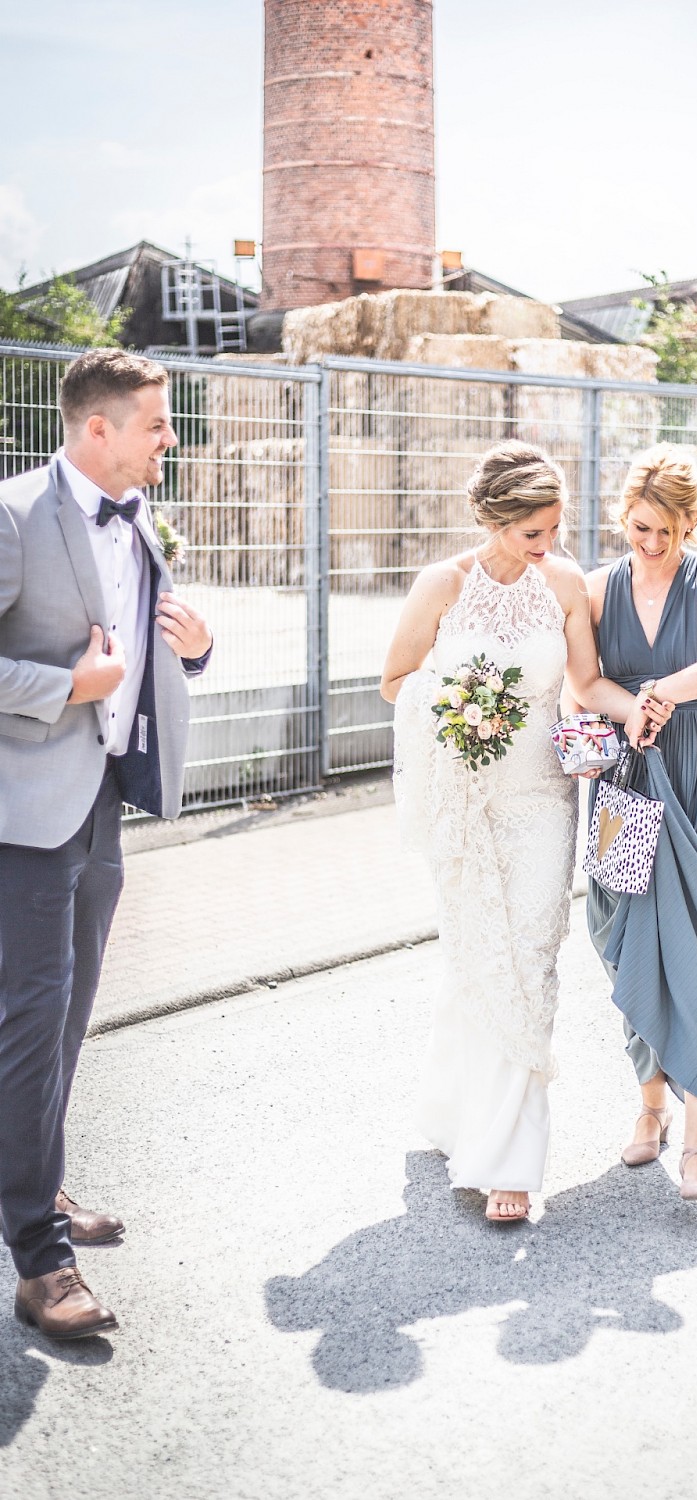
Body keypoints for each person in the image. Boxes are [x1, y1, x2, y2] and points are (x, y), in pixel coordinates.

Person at [380, 441, 666, 1223]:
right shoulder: (443, 584)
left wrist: (635, 708)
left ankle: (508, 1158)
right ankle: (452, 1110)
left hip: (543, 797)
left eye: (554, 530)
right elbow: (395, 681)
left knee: (533, 955)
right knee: (477, 951)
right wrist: (464, 698)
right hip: (463, 799)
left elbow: (585, 683)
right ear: (494, 520)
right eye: (531, 534)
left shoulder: (566, 582)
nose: (546, 547)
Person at [0, 348, 212, 1338]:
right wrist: (67, 690)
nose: (170, 437)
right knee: (33, 1020)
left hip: (106, 800)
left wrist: (198, 650)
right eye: (157, 423)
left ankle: (37, 1186)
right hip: (26, 813)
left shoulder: (138, 517)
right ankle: (42, 1263)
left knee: (71, 1013)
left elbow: (141, 648)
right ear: (98, 429)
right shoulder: (12, 516)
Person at [569, 443, 697, 1203]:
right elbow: (582, 683)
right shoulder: (593, 589)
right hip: (624, 779)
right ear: (624, 515)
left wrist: (665, 694)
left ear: (693, 524)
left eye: (667, 533)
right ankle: (649, 1112)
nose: (650, 545)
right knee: (626, 941)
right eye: (639, 528)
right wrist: (632, 709)